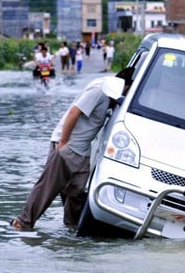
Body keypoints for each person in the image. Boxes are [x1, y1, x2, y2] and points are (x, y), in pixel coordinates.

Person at [10, 67, 135, 231]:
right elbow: (74, 112)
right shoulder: (99, 89)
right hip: (67, 148)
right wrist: (63, 143)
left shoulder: (112, 97)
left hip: (83, 152)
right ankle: (23, 223)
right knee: (47, 188)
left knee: (78, 193)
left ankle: (72, 230)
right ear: (125, 87)